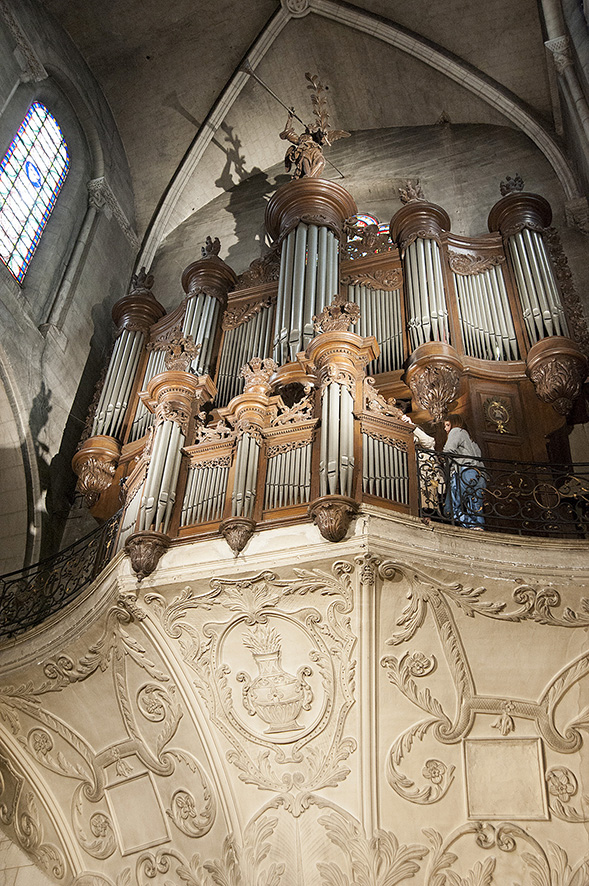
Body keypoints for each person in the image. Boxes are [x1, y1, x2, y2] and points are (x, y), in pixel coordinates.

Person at [442, 413, 486, 529]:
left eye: (447, 425)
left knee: (450, 508)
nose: (445, 429)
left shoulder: (456, 431)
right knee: (475, 505)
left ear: (454, 423)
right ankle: (477, 526)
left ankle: (467, 524)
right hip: (479, 474)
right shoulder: (471, 440)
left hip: (465, 471)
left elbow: (448, 450)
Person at [400, 413, 441, 513]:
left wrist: (412, 426)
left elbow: (428, 441)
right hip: (416, 482)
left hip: (429, 480)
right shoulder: (410, 449)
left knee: (429, 505)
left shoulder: (427, 444)